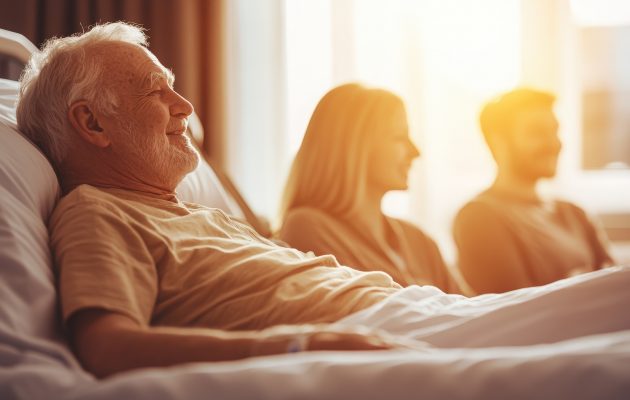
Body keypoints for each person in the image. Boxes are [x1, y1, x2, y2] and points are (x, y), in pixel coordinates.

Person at [17, 22, 630, 379]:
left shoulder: (195, 216)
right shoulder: (98, 212)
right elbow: (107, 345)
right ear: (92, 124)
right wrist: (301, 345)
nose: (186, 110)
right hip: (369, 331)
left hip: (412, 311)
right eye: (159, 91)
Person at [278, 84, 461, 292]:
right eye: (400, 137)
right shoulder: (309, 228)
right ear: (355, 147)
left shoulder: (420, 241)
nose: (415, 151)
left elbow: (475, 311)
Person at [452, 88, 614, 294]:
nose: (554, 142)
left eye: (555, 130)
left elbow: (614, 288)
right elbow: (515, 311)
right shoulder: (479, 218)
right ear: (498, 141)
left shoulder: (574, 213)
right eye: (537, 133)